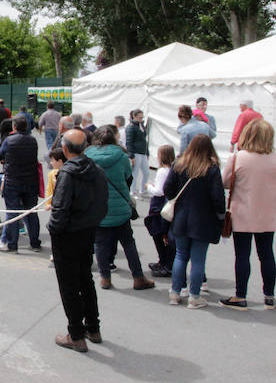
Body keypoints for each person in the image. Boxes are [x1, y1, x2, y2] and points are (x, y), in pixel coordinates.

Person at [47, 129, 108, 352]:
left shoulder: (68, 173)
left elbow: (60, 208)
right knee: (85, 279)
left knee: (69, 285)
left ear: (65, 149)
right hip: (87, 230)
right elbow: (103, 203)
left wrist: (54, 229)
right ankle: (93, 328)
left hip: (68, 234)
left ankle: (76, 334)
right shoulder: (96, 170)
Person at [85, 125, 156, 291]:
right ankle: (138, 277)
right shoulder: (122, 156)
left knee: (100, 245)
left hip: (97, 208)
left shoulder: (87, 156)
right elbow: (127, 177)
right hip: (120, 207)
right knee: (128, 243)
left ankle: (105, 278)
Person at [219, 119, 276, 311]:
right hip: (268, 213)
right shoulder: (274, 159)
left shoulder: (238, 158)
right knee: (267, 254)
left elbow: (225, 182)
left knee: (242, 255)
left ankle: (240, 296)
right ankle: (269, 296)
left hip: (242, 213)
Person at [163, 134, 226, 309]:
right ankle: (194, 297)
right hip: (203, 219)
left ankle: (175, 293)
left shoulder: (178, 164)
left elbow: (167, 188)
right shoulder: (212, 169)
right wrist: (221, 215)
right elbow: (218, 197)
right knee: (198, 260)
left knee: (180, 255)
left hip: (181, 217)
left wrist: (176, 200)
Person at [0, 116, 42, 253]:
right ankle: (35, 243)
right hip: (30, 180)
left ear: (14, 127)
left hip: (13, 180)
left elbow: (0, 154)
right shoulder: (32, 140)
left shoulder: (9, 140)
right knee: (31, 212)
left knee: (12, 212)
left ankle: (12, 245)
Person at [144, 144, 176, 277]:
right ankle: (164, 261)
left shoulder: (162, 171)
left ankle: (164, 262)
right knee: (164, 236)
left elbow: (159, 191)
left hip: (158, 206)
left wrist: (148, 186)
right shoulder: (171, 170)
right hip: (165, 205)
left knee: (158, 235)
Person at [125, 109, 151, 198]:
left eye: (142, 117)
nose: (141, 119)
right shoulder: (131, 127)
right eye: (139, 117)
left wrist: (147, 152)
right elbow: (129, 142)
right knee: (135, 173)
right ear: (134, 116)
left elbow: (144, 141)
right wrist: (131, 155)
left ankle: (142, 190)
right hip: (136, 153)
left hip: (143, 152)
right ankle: (132, 192)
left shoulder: (141, 126)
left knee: (146, 172)